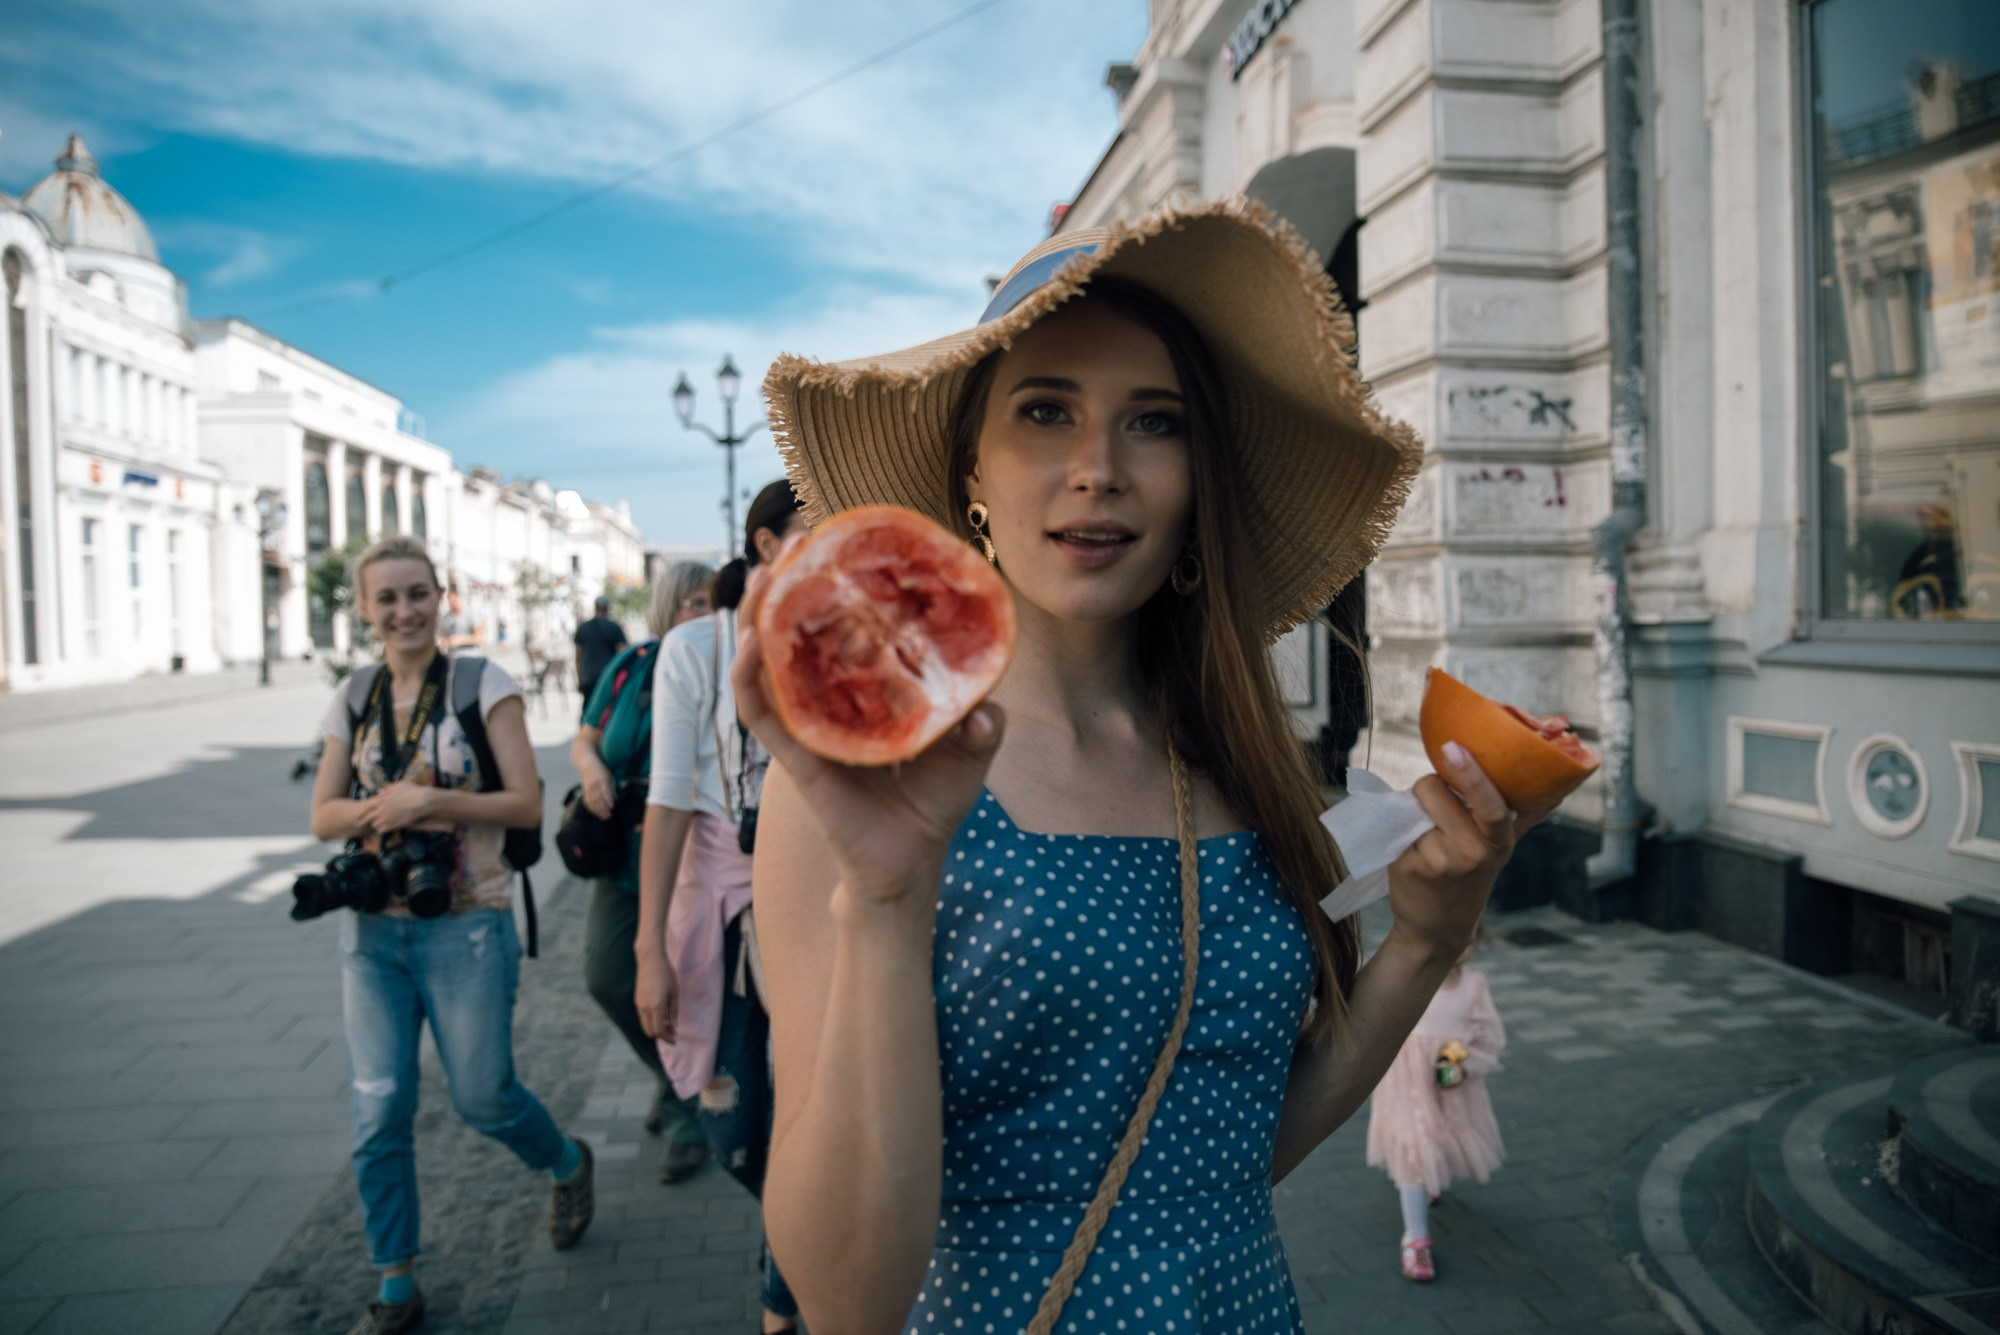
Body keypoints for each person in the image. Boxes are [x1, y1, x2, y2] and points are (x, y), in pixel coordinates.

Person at [736, 200, 1547, 1332]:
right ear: (973, 464)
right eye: (1044, 410)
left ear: (1194, 482)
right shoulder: (860, 790)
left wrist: (1423, 940)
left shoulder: (1231, 759)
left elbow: (1226, 1147)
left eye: (1152, 423)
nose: (1097, 468)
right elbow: (842, 1301)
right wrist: (883, 900)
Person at [309, 535, 595, 1335]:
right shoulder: (355, 693)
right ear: (365, 608)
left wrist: (426, 806)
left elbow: (527, 803)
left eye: (417, 593)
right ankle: (395, 1281)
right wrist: (382, 812)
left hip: (468, 924)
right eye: (387, 597)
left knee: (482, 1095)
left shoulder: (482, 681)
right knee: (378, 1109)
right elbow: (322, 813)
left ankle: (567, 1160)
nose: (404, 610)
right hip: (373, 935)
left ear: (443, 597)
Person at [636, 480, 803, 1335]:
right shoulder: (696, 647)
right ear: (767, 544)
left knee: (819, 1108)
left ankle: (787, 1292)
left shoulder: (840, 641)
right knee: (734, 1118)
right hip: (718, 901)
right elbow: (666, 802)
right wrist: (647, 952)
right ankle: (796, 1246)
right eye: (816, 536)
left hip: (818, 897)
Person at [572, 561, 715, 1185]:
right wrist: (591, 770)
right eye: (694, 604)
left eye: (713, 603)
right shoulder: (629, 666)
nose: (705, 616)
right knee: (606, 976)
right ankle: (671, 1076)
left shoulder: (720, 666)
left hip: (685, 856)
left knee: (677, 985)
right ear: (667, 608)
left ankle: (689, 1119)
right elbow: (585, 736)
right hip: (619, 853)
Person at [1366, 932, 1508, 1282]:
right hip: (1407, 1088)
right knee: (1416, 1150)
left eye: (1469, 934)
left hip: (1447, 1089)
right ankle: (1415, 1239)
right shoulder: (1411, 980)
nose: (1458, 941)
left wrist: (1463, 1064)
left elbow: (1486, 1036)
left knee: (1439, 1141)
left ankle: (1429, 1180)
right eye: (1450, 929)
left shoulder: (1473, 986)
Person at [572, 594, 628, 710]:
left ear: (595, 608)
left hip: (588, 678)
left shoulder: (583, 628)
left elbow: (578, 656)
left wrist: (579, 679)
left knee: (588, 712)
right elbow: (622, 653)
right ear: (607, 608)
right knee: (607, 714)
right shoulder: (614, 627)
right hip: (608, 677)